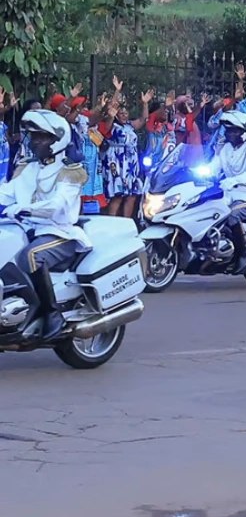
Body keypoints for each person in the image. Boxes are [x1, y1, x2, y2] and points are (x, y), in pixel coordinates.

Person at [0, 110, 89, 340]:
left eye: (41, 137)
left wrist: (25, 209)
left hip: (60, 233)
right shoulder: (29, 168)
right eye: (33, 136)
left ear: (57, 140)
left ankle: (51, 312)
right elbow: (6, 193)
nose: (35, 142)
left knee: (30, 256)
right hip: (29, 230)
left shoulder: (70, 171)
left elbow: (58, 206)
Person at [213, 110, 246, 276]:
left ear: (244, 132)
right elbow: (214, 166)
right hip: (225, 194)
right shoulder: (225, 148)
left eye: (234, 131)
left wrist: (234, 181)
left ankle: (243, 255)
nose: (230, 134)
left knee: (232, 215)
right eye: (228, 130)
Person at [99, 83, 151, 219]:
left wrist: (145, 104)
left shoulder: (130, 125)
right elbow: (110, 110)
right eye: (121, 113)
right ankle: (112, 223)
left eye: (126, 113)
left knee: (131, 194)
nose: (124, 115)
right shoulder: (111, 124)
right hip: (116, 162)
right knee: (118, 195)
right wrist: (117, 90)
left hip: (130, 164)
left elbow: (143, 120)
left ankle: (126, 223)